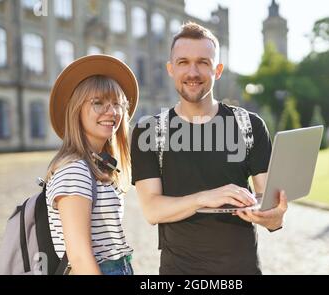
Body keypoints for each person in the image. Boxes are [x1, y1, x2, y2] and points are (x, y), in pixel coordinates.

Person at [131, 22, 288, 275]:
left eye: (203, 62)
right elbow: (152, 210)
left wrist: (274, 216)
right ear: (171, 69)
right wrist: (206, 197)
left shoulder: (249, 125)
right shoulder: (149, 131)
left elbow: (269, 205)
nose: (193, 72)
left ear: (218, 69)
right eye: (183, 62)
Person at [46, 55, 138, 275]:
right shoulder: (75, 170)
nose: (112, 111)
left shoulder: (98, 166)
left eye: (117, 103)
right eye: (98, 103)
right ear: (76, 109)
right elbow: (78, 257)